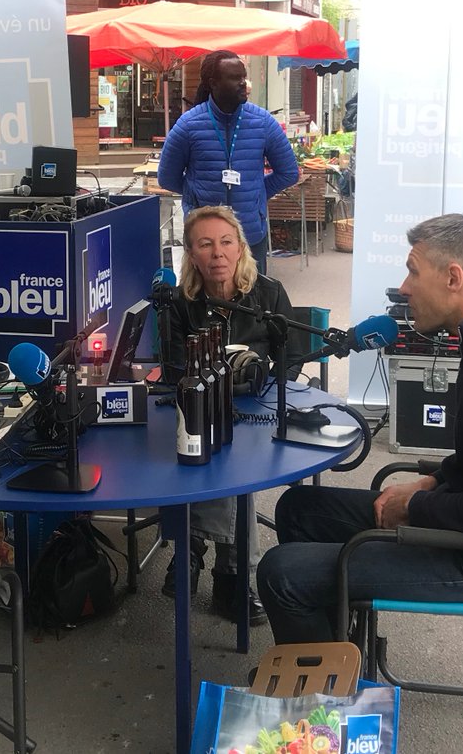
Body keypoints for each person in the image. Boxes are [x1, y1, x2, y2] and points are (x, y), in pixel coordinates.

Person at [256, 214, 463, 644]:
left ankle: (327, 704)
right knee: (299, 508)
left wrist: (414, 508)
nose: (405, 287)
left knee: (280, 573)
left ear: (454, 277)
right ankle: (337, 652)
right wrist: (431, 481)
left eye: (414, 271)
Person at [163, 205, 294, 625]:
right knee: (206, 450)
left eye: (226, 242)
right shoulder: (181, 304)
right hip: (198, 406)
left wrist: (251, 384)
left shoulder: (269, 295)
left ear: (240, 248)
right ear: (191, 254)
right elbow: (174, 369)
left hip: (256, 408)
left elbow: (289, 362)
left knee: (238, 465)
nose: (217, 253)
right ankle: (232, 578)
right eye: (205, 244)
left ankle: (191, 549)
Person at [157, 51, 299, 275]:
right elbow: (166, 177)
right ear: (213, 83)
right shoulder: (189, 125)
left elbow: (289, 173)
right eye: (235, 78)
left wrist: (256, 195)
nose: (243, 83)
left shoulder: (263, 122)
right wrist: (197, 196)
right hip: (204, 240)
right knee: (204, 307)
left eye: (244, 76)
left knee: (252, 306)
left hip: (250, 237)